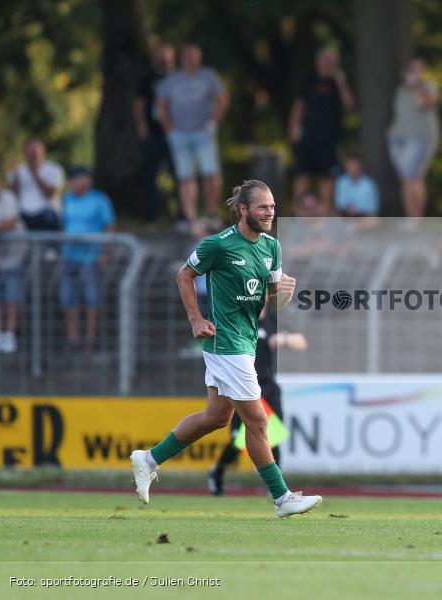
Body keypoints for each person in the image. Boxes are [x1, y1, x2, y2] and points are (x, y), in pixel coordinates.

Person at [130, 180, 322, 518]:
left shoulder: (272, 248)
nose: (270, 213)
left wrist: (284, 295)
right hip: (225, 343)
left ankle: (148, 459)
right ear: (244, 210)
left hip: (246, 343)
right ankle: (282, 498)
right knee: (258, 421)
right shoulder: (218, 245)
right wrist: (195, 319)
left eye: (273, 207)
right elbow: (184, 275)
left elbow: (272, 302)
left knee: (216, 418)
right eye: (263, 207)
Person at [208, 306, 308, 496]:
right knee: (238, 440)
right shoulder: (240, 318)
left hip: (268, 388)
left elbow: (301, 342)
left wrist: (284, 338)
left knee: (273, 437)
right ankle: (218, 471)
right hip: (242, 387)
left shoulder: (273, 320)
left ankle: (275, 487)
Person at [157, 44, 229, 231]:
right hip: (179, 134)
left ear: (199, 58)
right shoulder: (171, 80)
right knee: (185, 176)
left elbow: (222, 99)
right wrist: (169, 129)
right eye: (187, 56)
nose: (190, 59)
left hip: (203, 133)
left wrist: (214, 122)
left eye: (193, 56)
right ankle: (190, 216)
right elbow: (162, 105)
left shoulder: (209, 76)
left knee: (210, 173)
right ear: (181, 58)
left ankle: (212, 213)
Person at [288, 47, 355, 215]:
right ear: (317, 62)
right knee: (302, 176)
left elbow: (350, 105)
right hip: (308, 138)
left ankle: (324, 218)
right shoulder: (309, 81)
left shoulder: (338, 83)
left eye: (330, 61)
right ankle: (298, 215)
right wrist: (293, 129)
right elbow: (299, 106)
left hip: (331, 140)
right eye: (324, 60)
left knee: (328, 179)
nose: (327, 64)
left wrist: (341, 83)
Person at [59, 166, 116, 353]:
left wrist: (106, 253)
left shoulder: (100, 200)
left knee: (91, 298)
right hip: (69, 256)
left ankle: (91, 340)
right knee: (69, 299)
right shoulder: (66, 200)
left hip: (91, 257)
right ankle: (72, 339)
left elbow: (109, 226)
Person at [388, 57, 440, 219]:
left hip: (420, 138)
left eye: (419, 69)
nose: (415, 72)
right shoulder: (400, 90)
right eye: (412, 69)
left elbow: (424, 104)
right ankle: (413, 219)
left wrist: (414, 87)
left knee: (411, 178)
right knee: (410, 179)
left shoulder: (428, 87)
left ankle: (414, 219)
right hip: (398, 139)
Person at [135, 43, 176, 223]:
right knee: (150, 174)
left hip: (176, 133)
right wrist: (141, 124)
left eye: (166, 56)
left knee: (179, 174)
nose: (163, 60)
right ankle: (151, 216)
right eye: (160, 56)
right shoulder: (148, 78)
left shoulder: (178, 78)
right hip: (153, 132)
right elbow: (139, 103)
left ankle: (182, 215)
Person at [0, 169, 23, 354]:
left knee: (11, 297)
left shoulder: (9, 199)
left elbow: (9, 224)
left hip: (13, 257)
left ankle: (10, 335)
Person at [8, 138, 64, 231]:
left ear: (43, 152)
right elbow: (12, 196)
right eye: (29, 151)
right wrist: (16, 178)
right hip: (24, 214)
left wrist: (35, 174)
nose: (32, 155)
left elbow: (50, 194)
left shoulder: (54, 169)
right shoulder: (18, 171)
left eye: (34, 152)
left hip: (46, 213)